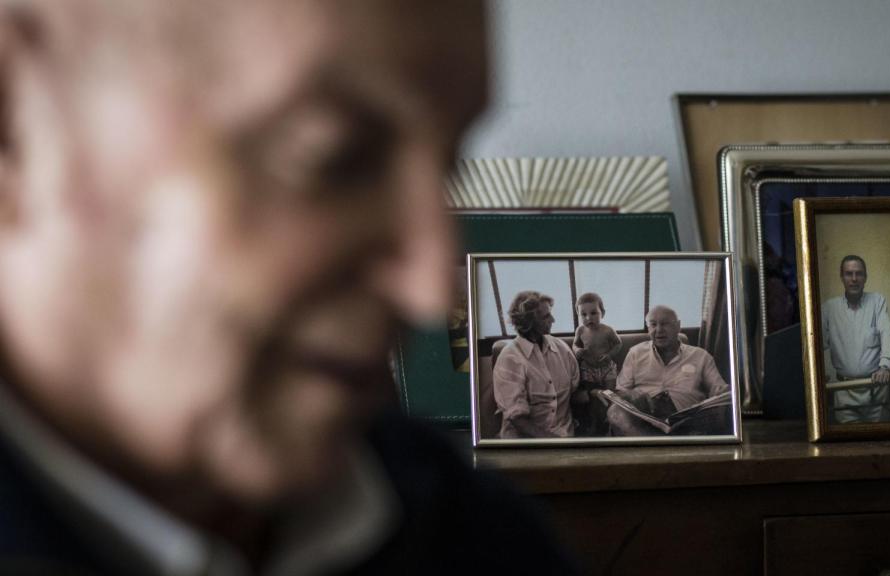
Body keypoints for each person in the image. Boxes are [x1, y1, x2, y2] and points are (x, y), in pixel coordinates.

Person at [0, 1, 577, 574]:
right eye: (331, 156)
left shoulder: (478, 536)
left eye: (452, 166)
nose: (430, 290)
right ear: (13, 117)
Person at [607, 305, 730, 436]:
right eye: (653, 324)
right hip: (643, 419)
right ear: (648, 328)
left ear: (678, 326)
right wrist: (631, 395)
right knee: (615, 411)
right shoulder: (635, 353)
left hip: (687, 419)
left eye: (665, 324)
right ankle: (664, 444)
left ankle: (657, 445)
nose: (659, 330)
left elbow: (719, 389)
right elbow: (620, 391)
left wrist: (724, 392)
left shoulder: (701, 356)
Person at [492, 291, 580, 439]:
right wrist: (553, 443)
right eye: (546, 316)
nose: (553, 319)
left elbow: (575, 391)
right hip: (526, 441)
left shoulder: (561, 348)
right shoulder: (509, 359)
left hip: (565, 434)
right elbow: (517, 418)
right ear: (528, 322)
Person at [821, 255, 890, 423]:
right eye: (849, 274)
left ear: (865, 277)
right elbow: (815, 345)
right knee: (849, 445)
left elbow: (887, 334)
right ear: (841, 277)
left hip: (877, 388)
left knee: (883, 441)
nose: (854, 279)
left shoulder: (877, 301)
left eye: (859, 274)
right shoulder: (829, 309)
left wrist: (885, 366)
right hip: (844, 391)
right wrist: (818, 370)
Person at [571, 292, 621, 435]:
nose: (589, 318)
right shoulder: (580, 330)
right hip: (589, 368)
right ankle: (593, 421)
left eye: (593, 313)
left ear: (602, 313)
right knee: (590, 397)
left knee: (610, 395)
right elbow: (574, 345)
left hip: (606, 367)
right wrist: (577, 350)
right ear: (579, 315)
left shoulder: (608, 330)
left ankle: (610, 418)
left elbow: (618, 344)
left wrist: (609, 355)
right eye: (583, 314)